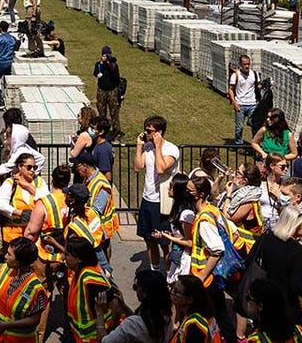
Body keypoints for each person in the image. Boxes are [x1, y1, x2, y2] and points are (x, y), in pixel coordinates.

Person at [185, 175, 242, 342]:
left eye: (189, 191)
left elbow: (216, 250)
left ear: (200, 194)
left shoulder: (204, 220)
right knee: (220, 313)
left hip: (205, 280)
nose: (186, 194)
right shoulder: (212, 209)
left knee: (207, 316)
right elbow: (233, 230)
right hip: (212, 278)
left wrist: (202, 275)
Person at [243, 205, 302, 334]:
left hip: (263, 298)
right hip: (284, 303)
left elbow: (249, 261)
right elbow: (296, 285)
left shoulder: (266, 237)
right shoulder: (298, 251)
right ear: (295, 226)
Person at [134, 116, 179, 273]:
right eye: (145, 129)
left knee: (164, 242)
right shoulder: (147, 146)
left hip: (162, 202)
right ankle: (154, 270)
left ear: (159, 132)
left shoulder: (171, 150)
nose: (145, 133)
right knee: (148, 238)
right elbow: (138, 167)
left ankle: (169, 274)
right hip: (148, 198)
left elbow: (161, 169)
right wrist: (140, 147)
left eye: (149, 131)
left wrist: (158, 147)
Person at [0, 237, 47, 343]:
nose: (5, 256)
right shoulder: (5, 270)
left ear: (20, 261)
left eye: (9, 254)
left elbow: (34, 320)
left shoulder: (35, 288)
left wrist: (6, 325)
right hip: (2, 337)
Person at [73, 151, 116, 275]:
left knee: (101, 263)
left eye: (77, 167)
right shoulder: (89, 179)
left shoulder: (101, 184)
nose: (76, 170)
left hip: (99, 230)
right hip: (94, 228)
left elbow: (96, 210)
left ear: (85, 166)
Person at [64, 236, 114, 343]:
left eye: (67, 255)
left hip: (95, 338)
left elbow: (115, 305)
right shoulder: (78, 274)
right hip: (81, 337)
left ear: (79, 258)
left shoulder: (90, 279)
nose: (64, 258)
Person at [0, 153, 47, 254]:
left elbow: (47, 199)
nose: (32, 170)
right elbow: (0, 204)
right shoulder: (10, 183)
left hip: (33, 236)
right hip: (12, 236)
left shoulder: (39, 182)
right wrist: (19, 212)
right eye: (29, 167)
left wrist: (29, 187)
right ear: (20, 167)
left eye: (34, 167)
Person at [103, 268, 172, 343]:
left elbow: (105, 341)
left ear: (145, 292)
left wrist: (100, 313)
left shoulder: (132, 324)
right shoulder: (166, 316)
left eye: (135, 287)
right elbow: (140, 322)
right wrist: (124, 306)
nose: (135, 291)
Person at [243, 278, 302, 343]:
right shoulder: (299, 332)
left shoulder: (255, 340)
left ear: (260, 306)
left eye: (249, 297)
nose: (246, 298)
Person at [168, 274, 220, 343]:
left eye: (176, 292)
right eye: (173, 289)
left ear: (190, 299)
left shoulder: (194, 325)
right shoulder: (202, 313)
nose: (172, 293)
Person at [228, 55, 260, 145]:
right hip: (240, 104)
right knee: (239, 127)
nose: (246, 66)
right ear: (240, 64)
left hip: (252, 104)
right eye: (244, 64)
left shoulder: (254, 74)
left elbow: (257, 87)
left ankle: (255, 144)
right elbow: (230, 89)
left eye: (248, 64)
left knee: (255, 126)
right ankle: (239, 144)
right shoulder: (235, 75)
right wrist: (234, 103)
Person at [94, 46, 123, 131]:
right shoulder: (99, 65)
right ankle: (103, 130)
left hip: (112, 91)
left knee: (114, 113)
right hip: (101, 90)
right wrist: (102, 65)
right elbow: (96, 74)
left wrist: (110, 65)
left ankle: (116, 131)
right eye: (105, 55)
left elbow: (116, 78)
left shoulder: (114, 65)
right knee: (102, 112)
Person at [0, 20, 18, 107]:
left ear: (0, 28)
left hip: (2, 62)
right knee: (8, 81)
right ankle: (8, 99)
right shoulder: (12, 38)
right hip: (10, 62)